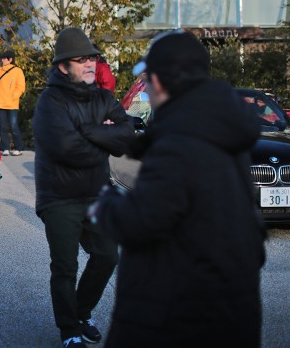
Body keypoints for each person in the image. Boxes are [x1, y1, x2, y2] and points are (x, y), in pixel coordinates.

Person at [91, 31, 265, 348]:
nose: (146, 88)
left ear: (158, 82)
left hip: (178, 315)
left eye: (146, 79)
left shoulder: (178, 142)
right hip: (234, 309)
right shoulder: (223, 131)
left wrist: (107, 204)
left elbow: (141, 221)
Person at [33, 27, 135, 347]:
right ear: (64, 67)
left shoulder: (103, 97)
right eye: (81, 60)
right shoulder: (50, 102)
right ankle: (69, 330)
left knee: (108, 256)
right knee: (65, 267)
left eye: (92, 58)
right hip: (59, 197)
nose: (91, 63)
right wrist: (103, 137)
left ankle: (81, 312)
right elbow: (68, 149)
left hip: (96, 194)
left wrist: (88, 132)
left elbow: (126, 136)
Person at [0, 48, 25, 156]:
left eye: (4, 58)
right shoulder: (0, 70)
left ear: (10, 59)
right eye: (2, 58)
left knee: (13, 126)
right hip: (0, 103)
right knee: (3, 127)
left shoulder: (18, 71)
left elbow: (21, 87)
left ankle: (19, 148)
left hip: (12, 104)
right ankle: (5, 148)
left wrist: (13, 96)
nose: (2, 60)